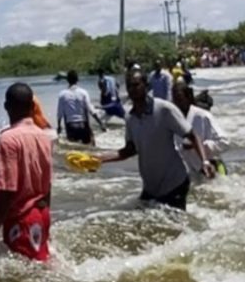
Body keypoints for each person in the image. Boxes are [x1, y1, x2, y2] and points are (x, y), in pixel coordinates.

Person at [98, 72, 215, 211]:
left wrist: (205, 162)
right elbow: (129, 150)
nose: (132, 89)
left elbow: (193, 135)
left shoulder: (164, 109)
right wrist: (98, 159)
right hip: (151, 187)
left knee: (176, 229)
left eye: (136, 85)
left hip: (175, 183)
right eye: (129, 86)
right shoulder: (130, 118)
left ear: (147, 86)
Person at [0, 83, 53, 262]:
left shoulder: (8, 140)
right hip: (42, 214)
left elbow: (6, 190)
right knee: (40, 267)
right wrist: (48, 218)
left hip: (21, 219)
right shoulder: (44, 137)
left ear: (6, 107)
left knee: (26, 279)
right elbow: (48, 185)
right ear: (32, 107)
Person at [172, 81, 230, 177]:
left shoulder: (203, 116)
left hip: (213, 168)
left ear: (188, 98)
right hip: (191, 172)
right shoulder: (174, 120)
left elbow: (225, 142)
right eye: (175, 100)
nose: (177, 104)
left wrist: (199, 146)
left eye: (180, 99)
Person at [56, 70, 106, 146]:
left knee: (74, 150)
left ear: (67, 80)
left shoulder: (62, 95)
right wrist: (101, 123)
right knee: (91, 147)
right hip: (83, 125)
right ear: (77, 80)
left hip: (71, 127)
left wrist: (59, 126)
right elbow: (90, 110)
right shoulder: (83, 93)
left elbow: (60, 113)